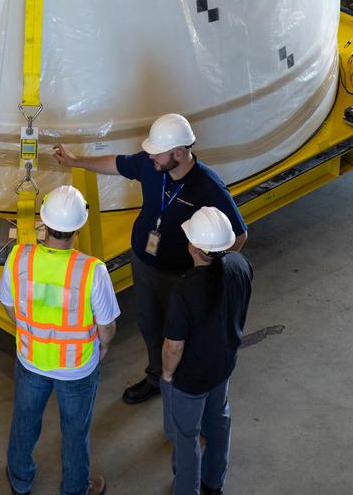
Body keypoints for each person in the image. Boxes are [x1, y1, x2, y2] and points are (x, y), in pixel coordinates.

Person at [54, 113, 247, 404]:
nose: (150, 156)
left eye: (158, 152)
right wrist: (75, 161)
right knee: (149, 323)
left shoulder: (208, 187)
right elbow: (118, 164)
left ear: (179, 153)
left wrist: (207, 276)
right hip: (144, 263)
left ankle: (183, 388)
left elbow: (239, 235)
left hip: (182, 275)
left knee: (181, 333)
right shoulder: (152, 164)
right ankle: (157, 376)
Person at [0, 184, 120, 495]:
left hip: (31, 359)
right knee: (75, 430)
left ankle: (20, 480)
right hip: (77, 368)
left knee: (24, 420)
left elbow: (9, 303)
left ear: (43, 219)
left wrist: (29, 332)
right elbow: (107, 326)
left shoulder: (20, 256)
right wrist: (100, 350)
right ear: (78, 226)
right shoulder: (92, 270)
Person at [141, 206, 253, 495]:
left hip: (191, 377)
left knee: (186, 437)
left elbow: (174, 346)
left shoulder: (186, 289)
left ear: (193, 247)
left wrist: (166, 375)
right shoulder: (241, 265)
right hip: (224, 364)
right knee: (218, 421)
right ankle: (214, 484)